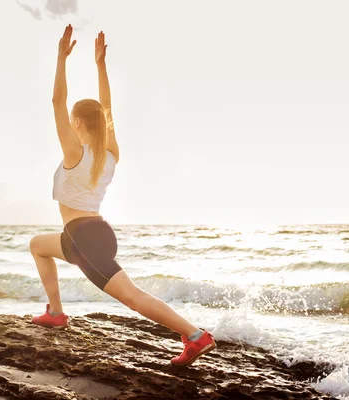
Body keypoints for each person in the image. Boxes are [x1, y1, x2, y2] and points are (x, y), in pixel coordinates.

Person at [29, 24, 216, 366]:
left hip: (84, 238)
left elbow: (58, 100)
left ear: (78, 123)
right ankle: (56, 311)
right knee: (39, 245)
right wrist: (100, 65)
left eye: (72, 120)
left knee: (131, 297)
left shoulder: (76, 154)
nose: (68, 122)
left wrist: (61, 59)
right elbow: (107, 107)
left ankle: (194, 335)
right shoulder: (110, 152)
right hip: (88, 235)